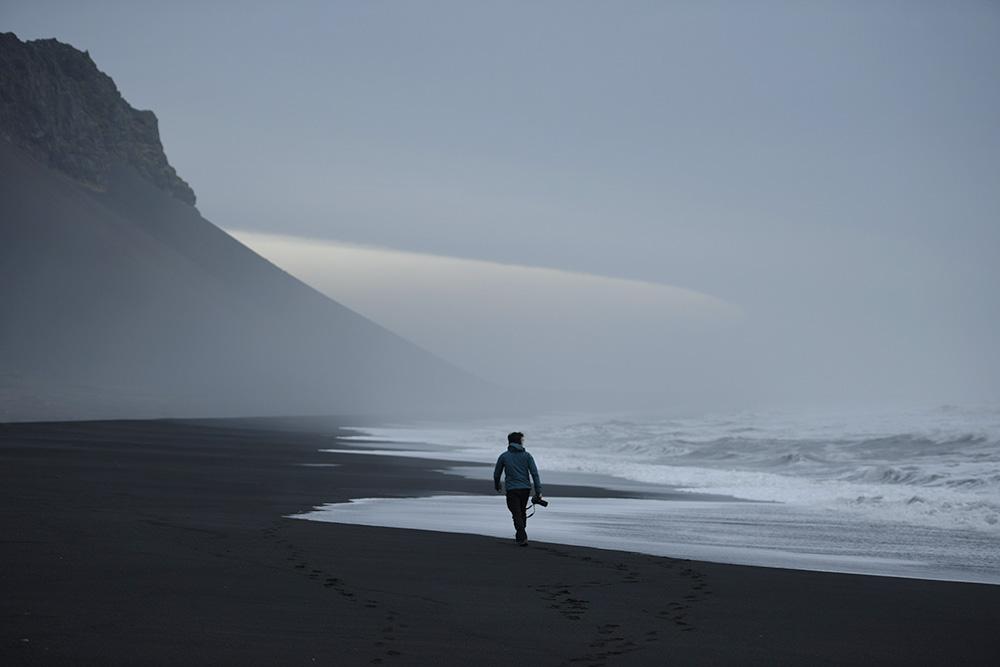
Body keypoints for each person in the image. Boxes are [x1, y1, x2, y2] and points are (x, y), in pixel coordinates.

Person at [493, 431, 543, 546]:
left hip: (511, 489)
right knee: (521, 512)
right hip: (525, 489)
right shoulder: (527, 456)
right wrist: (538, 491)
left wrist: (497, 485)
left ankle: (522, 535)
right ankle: (520, 534)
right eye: (522, 440)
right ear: (519, 441)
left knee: (516, 513)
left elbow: (497, 474)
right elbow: (535, 474)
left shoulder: (504, 456)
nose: (523, 442)